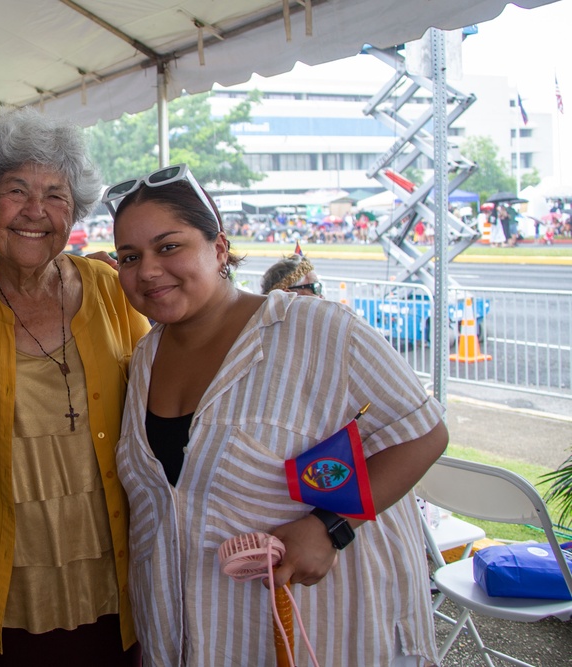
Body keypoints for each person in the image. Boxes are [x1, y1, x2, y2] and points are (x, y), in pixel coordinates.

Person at [107, 165, 448, 666]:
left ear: (219, 249)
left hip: (315, 633)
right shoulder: (143, 360)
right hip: (187, 640)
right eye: (130, 257)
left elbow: (424, 432)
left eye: (169, 246)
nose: (148, 270)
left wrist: (330, 524)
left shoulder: (316, 329)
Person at [0, 108, 148, 665]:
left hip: (111, 553)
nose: (35, 211)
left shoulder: (110, 287)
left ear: (76, 212)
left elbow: (154, 384)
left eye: (56, 195)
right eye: (16, 191)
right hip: (8, 561)